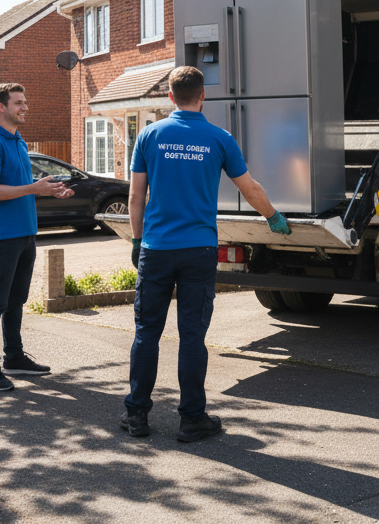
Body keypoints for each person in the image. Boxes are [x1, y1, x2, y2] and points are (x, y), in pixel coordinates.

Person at [121, 66, 291, 441]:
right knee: (192, 336)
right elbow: (249, 187)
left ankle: (137, 416)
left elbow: (136, 196)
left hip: (157, 249)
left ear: (170, 97)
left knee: (147, 331)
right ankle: (192, 419)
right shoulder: (219, 138)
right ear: (202, 96)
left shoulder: (149, 135)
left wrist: (137, 241)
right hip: (198, 250)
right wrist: (273, 216)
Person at [0, 82, 74, 392]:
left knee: (16, 300)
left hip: (25, 234)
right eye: (18, 102)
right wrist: (33, 188)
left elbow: (19, 184)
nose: (25, 106)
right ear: (1, 107)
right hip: (2, 237)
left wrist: (49, 189)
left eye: (25, 101)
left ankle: (14, 357)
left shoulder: (18, 141)